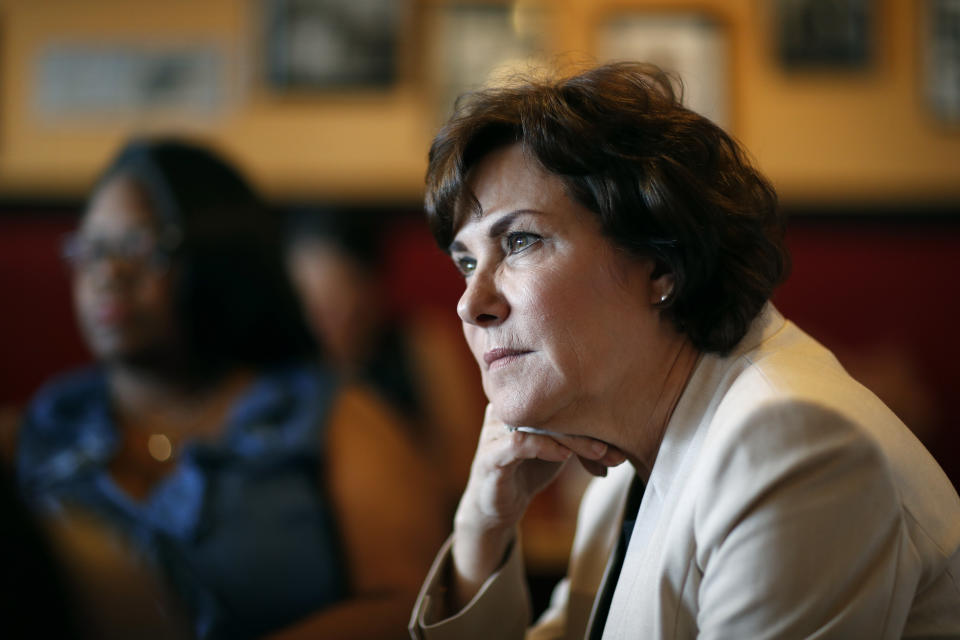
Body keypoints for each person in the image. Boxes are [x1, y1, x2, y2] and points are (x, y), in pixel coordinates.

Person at [408, 63, 960, 639]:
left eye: (519, 241)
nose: (470, 304)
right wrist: (482, 526)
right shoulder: (622, 463)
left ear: (661, 262)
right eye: (466, 262)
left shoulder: (793, 443)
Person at [15, 138, 445, 639]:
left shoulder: (331, 414)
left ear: (216, 254)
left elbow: (408, 607)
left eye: (138, 245)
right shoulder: (44, 426)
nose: (107, 273)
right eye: (91, 248)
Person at [285, 208, 484, 513]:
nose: (321, 317)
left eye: (338, 294)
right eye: (309, 298)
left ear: (373, 287)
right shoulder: (284, 369)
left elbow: (466, 467)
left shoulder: (422, 344)